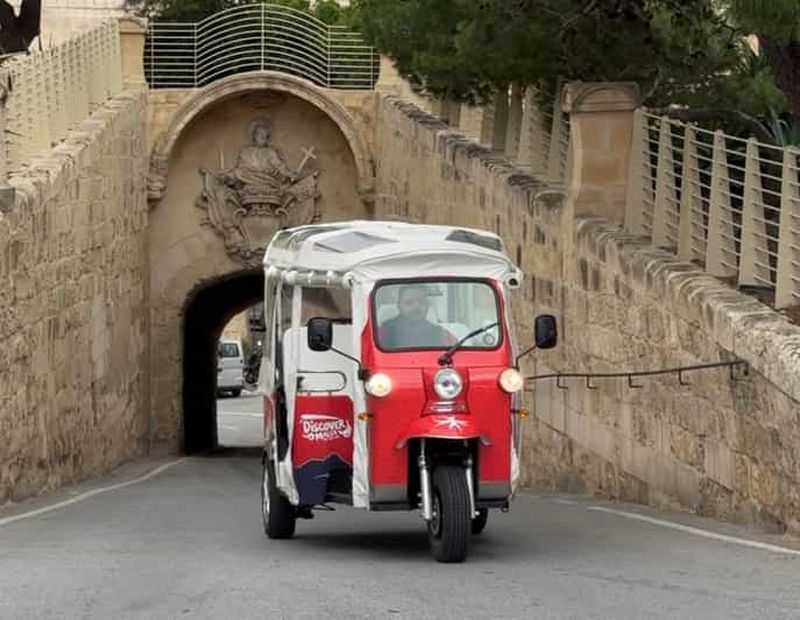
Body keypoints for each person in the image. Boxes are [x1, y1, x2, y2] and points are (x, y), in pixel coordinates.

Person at [378, 285, 456, 349]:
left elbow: (456, 352)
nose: (416, 307)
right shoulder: (383, 331)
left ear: (427, 306)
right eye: (409, 302)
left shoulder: (440, 333)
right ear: (399, 306)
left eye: (421, 302)